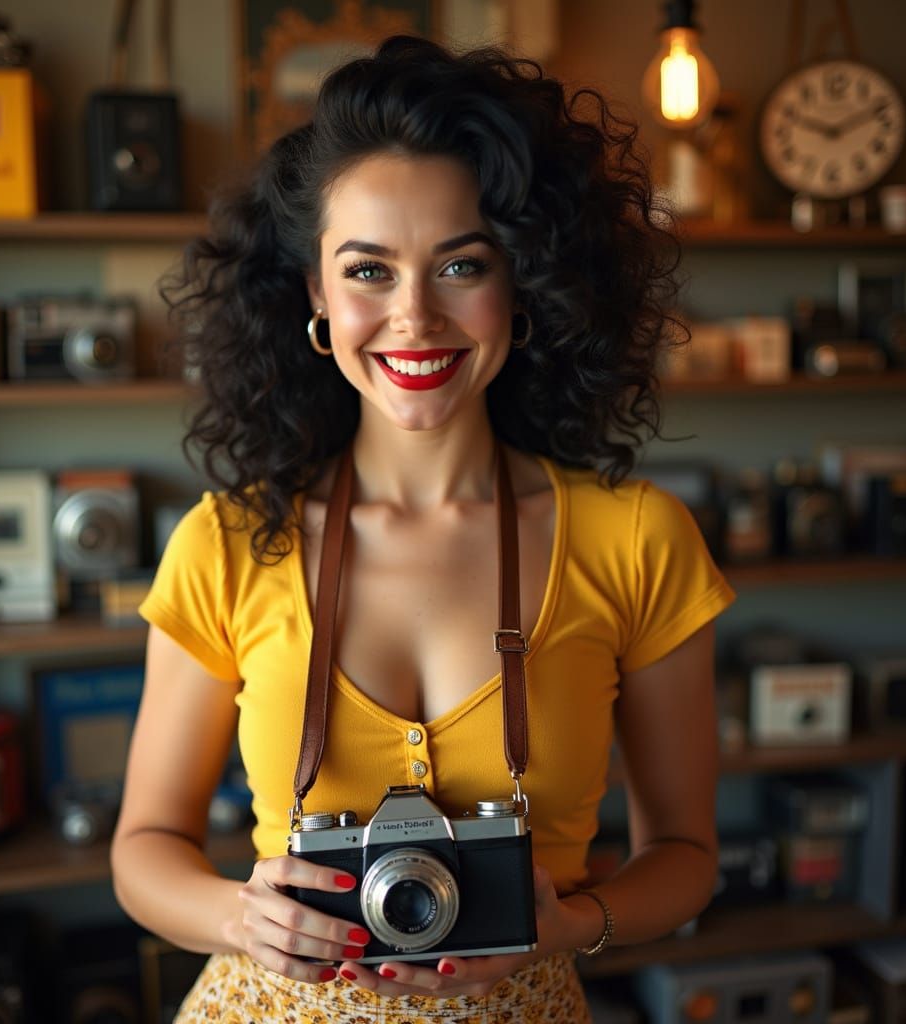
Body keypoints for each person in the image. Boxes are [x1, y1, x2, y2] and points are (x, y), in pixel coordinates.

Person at [110, 34, 736, 1023]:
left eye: (460, 265)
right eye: (367, 271)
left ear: (522, 284)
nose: (413, 316)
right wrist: (239, 916)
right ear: (314, 292)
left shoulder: (640, 541)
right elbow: (143, 848)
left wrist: (574, 923)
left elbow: (687, 859)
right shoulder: (228, 543)